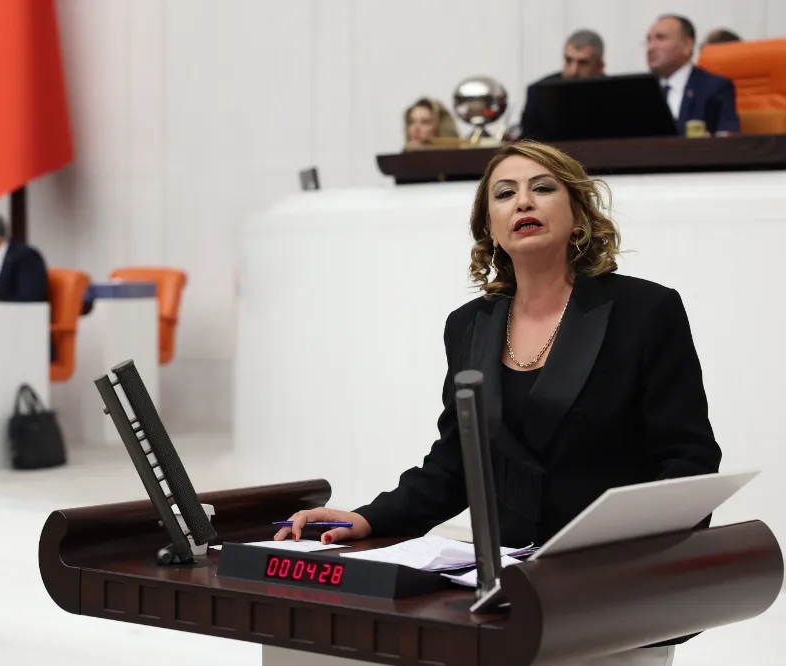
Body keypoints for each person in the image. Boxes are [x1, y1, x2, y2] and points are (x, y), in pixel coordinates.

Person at [274, 141, 720, 666]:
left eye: (543, 188)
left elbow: (688, 459)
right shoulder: (469, 325)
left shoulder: (645, 310)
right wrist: (368, 517)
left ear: (578, 214)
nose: (523, 202)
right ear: (490, 227)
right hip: (507, 588)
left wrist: (639, 553)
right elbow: (457, 463)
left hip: (615, 585)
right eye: (505, 194)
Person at [647, 14, 739, 135]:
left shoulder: (714, 87)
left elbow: (727, 138)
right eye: (649, 40)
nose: (650, 47)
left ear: (687, 45)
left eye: (661, 38)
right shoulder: (641, 91)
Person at [520, 29, 605, 141]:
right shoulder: (539, 93)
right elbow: (528, 142)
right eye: (568, 61)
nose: (573, 71)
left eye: (583, 63)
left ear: (599, 66)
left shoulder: (616, 95)